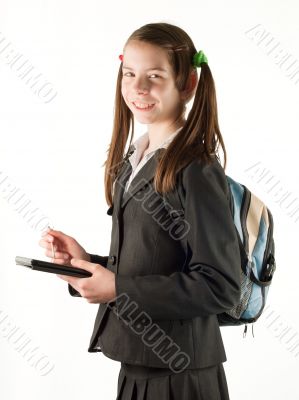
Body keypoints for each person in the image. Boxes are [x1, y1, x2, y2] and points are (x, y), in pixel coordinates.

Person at [39, 22, 241, 400]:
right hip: (137, 365)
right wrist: (87, 265)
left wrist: (117, 287)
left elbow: (220, 285)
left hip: (182, 376)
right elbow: (152, 263)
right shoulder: (135, 159)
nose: (138, 88)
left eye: (155, 76)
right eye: (129, 74)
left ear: (188, 84)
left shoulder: (196, 168)